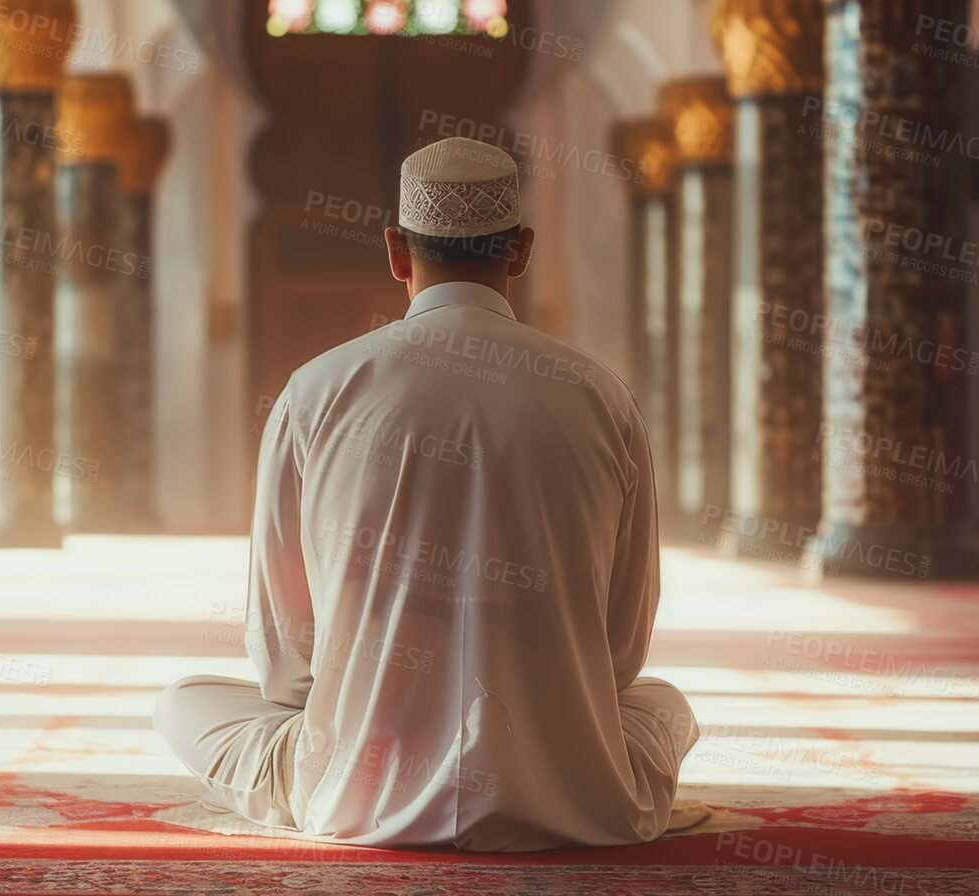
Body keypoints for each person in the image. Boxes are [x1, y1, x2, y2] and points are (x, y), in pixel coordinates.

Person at [156, 138, 698, 851]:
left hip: (360, 780)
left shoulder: (317, 390)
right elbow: (621, 655)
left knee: (183, 703)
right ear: (521, 250)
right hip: (572, 783)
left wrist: (336, 702)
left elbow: (286, 660)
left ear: (396, 252)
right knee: (664, 704)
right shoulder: (602, 396)